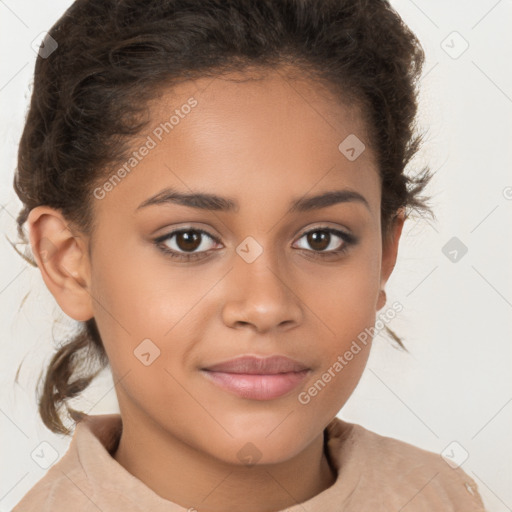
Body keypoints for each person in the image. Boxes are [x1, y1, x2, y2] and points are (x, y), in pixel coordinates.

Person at [11, 0, 487, 510]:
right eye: (188, 239)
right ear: (68, 261)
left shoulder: (438, 495)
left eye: (321, 239)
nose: (264, 305)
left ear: (384, 256)